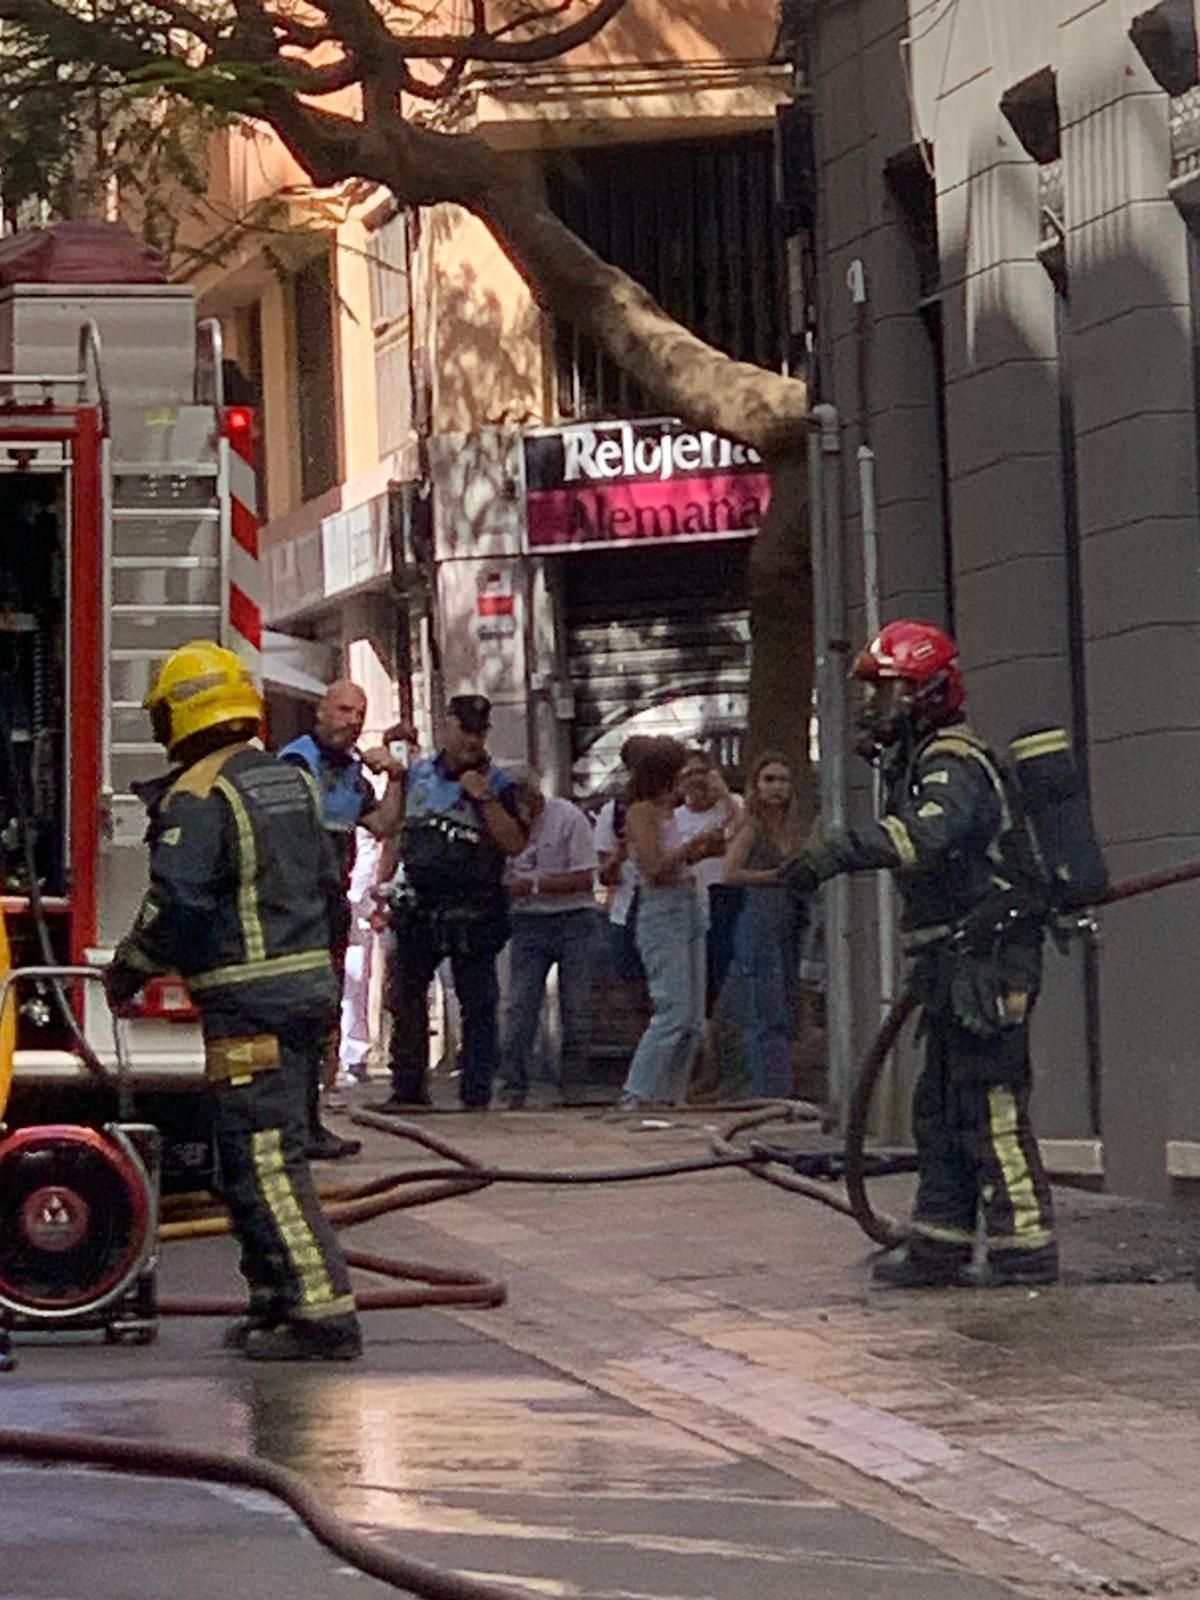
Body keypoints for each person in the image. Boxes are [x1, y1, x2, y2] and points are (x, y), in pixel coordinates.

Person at [104, 640, 361, 1361]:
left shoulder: (199, 795)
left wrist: (128, 969)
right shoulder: (291, 781)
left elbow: (178, 900)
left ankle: (321, 1313)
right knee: (246, 1158)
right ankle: (275, 1303)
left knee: (266, 1159)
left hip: (251, 1001)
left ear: (179, 715)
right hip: (302, 991)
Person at [785, 620, 1057, 1289]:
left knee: (987, 1104)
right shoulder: (925, 760)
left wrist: (832, 856)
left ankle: (1025, 1246)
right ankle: (941, 1241)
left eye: (889, 693)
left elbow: (924, 838)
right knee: (939, 1107)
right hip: (955, 961)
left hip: (987, 961)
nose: (878, 710)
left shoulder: (952, 763)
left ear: (929, 691)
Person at [373, 694, 526, 1111]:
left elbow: (514, 843)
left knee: (478, 1002)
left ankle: (476, 1091)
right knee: (406, 997)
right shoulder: (418, 775)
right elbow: (394, 830)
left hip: (475, 906)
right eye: (465, 729)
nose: (473, 740)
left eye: (480, 731)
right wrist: (382, 883)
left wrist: (484, 799)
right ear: (448, 726)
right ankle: (408, 1090)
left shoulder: (500, 783)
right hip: (421, 904)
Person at [278, 680, 408, 1161]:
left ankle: (313, 1119)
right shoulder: (297, 763)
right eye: (344, 710)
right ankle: (294, 1123)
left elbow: (384, 825)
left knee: (325, 1010)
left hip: (329, 903)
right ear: (321, 711)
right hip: (295, 905)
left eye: (360, 712)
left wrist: (396, 775)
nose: (352, 720)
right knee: (299, 1012)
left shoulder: (352, 773)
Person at [618, 737, 726, 1110]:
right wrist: (689, 847)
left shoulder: (671, 813)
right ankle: (638, 1092)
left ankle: (671, 1094)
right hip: (661, 909)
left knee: (694, 1019)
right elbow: (653, 868)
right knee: (673, 1009)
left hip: (690, 903)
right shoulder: (641, 812)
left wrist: (701, 850)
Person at [497, 766, 600, 1109]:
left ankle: (574, 1085)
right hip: (528, 921)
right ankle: (514, 1086)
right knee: (521, 1006)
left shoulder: (569, 818)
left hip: (573, 918)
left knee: (577, 1005)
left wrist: (534, 885)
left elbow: (586, 878)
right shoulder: (505, 823)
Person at [724, 752, 809, 1100]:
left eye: (783, 781)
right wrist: (774, 876)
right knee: (765, 1011)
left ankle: (781, 1088)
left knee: (786, 1007)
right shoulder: (752, 827)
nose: (776, 788)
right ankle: (768, 1092)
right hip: (758, 919)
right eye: (768, 780)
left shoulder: (792, 829)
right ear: (756, 786)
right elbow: (730, 873)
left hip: (789, 920)